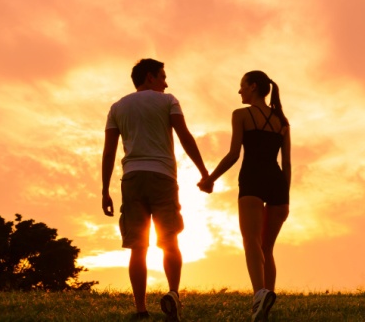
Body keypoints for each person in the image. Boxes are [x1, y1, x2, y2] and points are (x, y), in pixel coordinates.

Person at [101, 58, 210, 321]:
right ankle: (173, 294)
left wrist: (104, 190)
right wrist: (204, 172)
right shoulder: (168, 101)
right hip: (162, 177)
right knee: (169, 240)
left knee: (138, 247)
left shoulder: (117, 107)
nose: (166, 83)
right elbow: (184, 136)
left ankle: (141, 309)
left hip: (132, 179)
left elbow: (109, 151)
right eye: (162, 76)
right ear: (149, 77)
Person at [200, 70, 291, 322]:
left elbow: (233, 155)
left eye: (242, 85)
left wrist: (210, 179)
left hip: (252, 180)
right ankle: (266, 301)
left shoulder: (241, 115)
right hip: (277, 184)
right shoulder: (282, 121)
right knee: (267, 247)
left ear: (252, 87)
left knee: (251, 240)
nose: (239, 90)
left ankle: (259, 295)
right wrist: (286, 196)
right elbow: (287, 163)